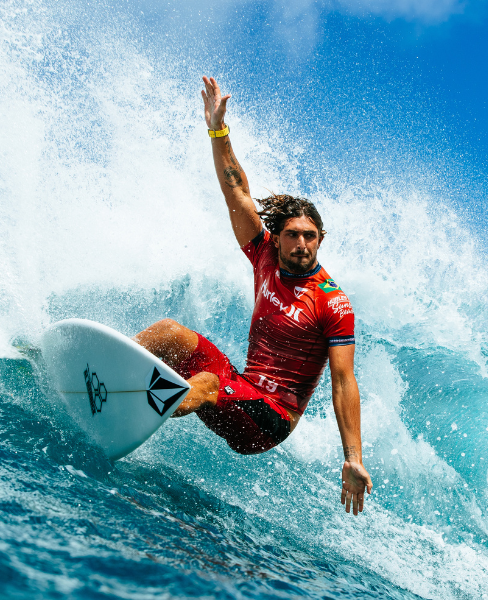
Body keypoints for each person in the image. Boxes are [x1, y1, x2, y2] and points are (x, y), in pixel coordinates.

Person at [133, 76, 372, 516]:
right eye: (294, 235)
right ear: (277, 239)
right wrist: (217, 130)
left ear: (320, 240)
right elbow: (236, 190)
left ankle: (129, 416)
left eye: (311, 237)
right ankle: (111, 374)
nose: (303, 244)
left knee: (204, 384)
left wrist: (352, 457)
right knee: (168, 332)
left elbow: (343, 382)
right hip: (241, 386)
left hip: (270, 420)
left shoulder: (332, 303)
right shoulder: (263, 255)